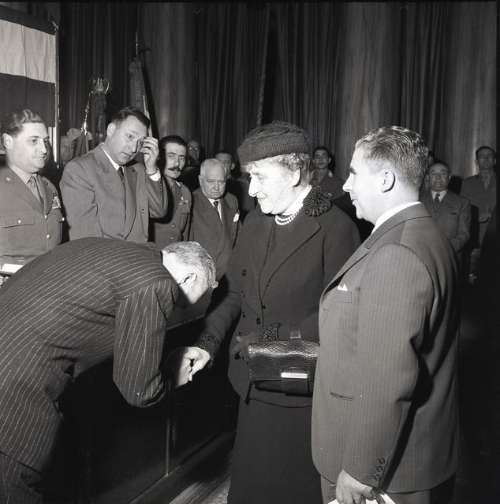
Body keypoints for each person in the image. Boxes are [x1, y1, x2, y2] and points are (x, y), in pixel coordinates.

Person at [177, 121, 360, 503]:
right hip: (252, 383)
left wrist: (265, 343)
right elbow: (234, 292)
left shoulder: (336, 227)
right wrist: (207, 344)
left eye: (259, 176)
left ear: (293, 173)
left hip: (299, 389)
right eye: (249, 177)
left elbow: (336, 318)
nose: (251, 189)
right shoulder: (256, 222)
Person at [0, 238, 216, 503]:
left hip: (10, 355)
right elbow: (138, 389)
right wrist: (173, 376)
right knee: (14, 488)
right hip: (14, 388)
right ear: (189, 278)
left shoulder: (123, 252)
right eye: (181, 303)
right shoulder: (156, 281)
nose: (175, 308)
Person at [312, 126, 460, 504]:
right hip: (414, 453)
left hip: (382, 470)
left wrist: (360, 469)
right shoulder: (425, 234)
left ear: (386, 179)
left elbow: (387, 378)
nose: (346, 185)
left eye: (354, 173)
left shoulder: (397, 252)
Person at [60, 106, 167, 242]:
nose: (133, 148)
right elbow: (86, 241)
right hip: (107, 255)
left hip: (140, 252)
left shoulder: (138, 170)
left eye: (140, 142)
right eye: (130, 136)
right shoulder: (79, 169)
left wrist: (152, 169)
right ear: (111, 130)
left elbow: (158, 211)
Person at [0, 109, 64, 284]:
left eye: (45, 141)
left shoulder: (49, 187)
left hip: (50, 286)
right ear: (8, 141)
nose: (44, 149)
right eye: (34, 141)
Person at [189, 158, 239, 280]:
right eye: (211, 181)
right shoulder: (190, 203)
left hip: (228, 276)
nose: (217, 187)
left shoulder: (232, 201)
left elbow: (238, 237)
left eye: (221, 182)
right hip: (201, 276)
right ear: (200, 180)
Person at [420, 161, 471, 271]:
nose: (438, 177)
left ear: (449, 177)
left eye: (443, 173)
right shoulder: (417, 201)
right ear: (428, 177)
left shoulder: (462, 203)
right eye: (434, 173)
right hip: (422, 259)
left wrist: (445, 249)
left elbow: (464, 234)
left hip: (450, 260)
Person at [461, 145, 496, 281]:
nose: (486, 159)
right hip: (475, 239)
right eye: (482, 156)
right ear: (476, 161)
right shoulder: (467, 183)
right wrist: (476, 217)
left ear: (495, 160)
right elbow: (462, 212)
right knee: (474, 280)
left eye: (489, 156)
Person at [151, 135, 192, 247]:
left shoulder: (185, 192)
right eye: (171, 156)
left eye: (181, 158)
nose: (177, 163)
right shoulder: (147, 187)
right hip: (150, 254)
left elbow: (185, 234)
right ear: (159, 157)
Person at [216, 150, 256, 220]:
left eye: (225, 162)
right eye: (218, 162)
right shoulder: (208, 185)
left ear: (232, 166)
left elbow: (249, 214)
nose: (221, 165)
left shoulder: (243, 186)